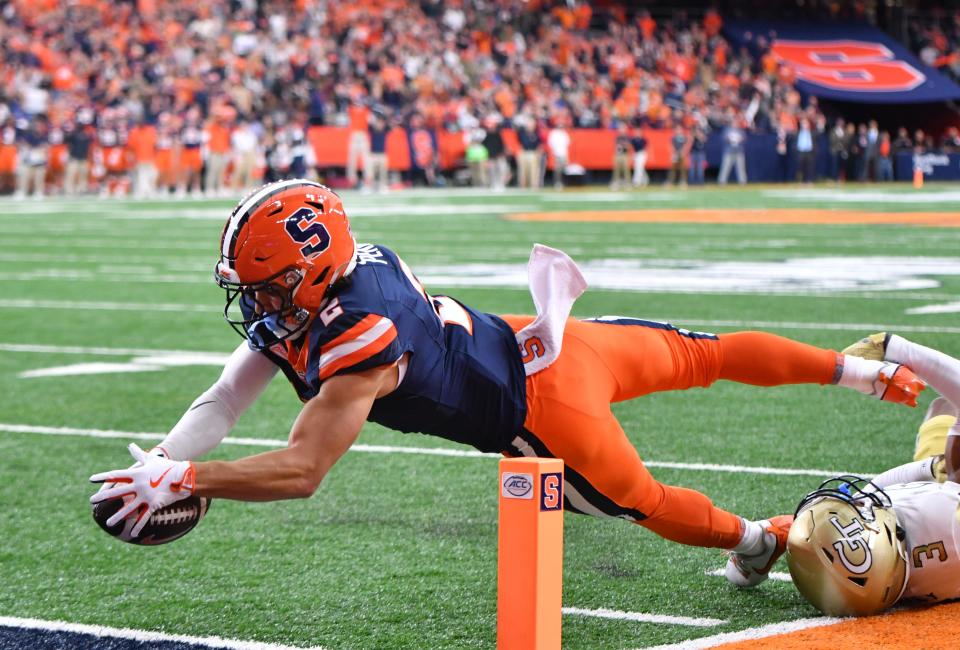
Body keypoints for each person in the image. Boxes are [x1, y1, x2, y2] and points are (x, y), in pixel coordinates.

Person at [89, 180, 925, 590]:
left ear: (311, 272)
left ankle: (758, 538)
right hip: (552, 344)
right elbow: (228, 396)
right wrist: (164, 456)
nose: (258, 305)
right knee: (705, 353)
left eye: (267, 288)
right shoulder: (351, 271)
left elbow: (303, 472)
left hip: (544, 416)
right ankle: (862, 372)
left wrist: (187, 478)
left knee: (642, 501)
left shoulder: (358, 336)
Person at [783, 332, 960, 615]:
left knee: (942, 413)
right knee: (946, 407)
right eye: (858, 514)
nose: (859, 504)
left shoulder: (888, 574)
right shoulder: (949, 521)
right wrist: (892, 346)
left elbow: (873, 496)